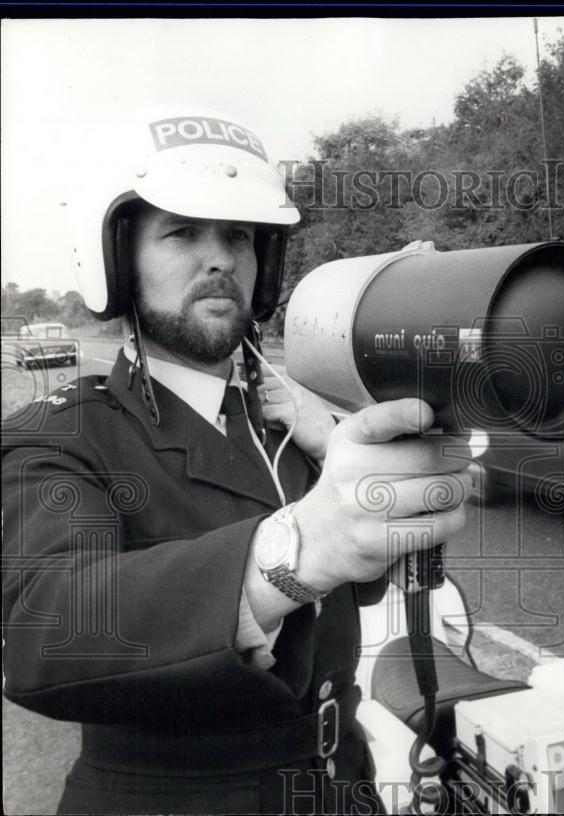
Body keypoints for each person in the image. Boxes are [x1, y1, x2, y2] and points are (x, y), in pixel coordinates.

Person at [1, 104, 472, 815]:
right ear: (117, 259)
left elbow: (348, 602)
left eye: (239, 236)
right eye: (182, 232)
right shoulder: (58, 433)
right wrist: (305, 544)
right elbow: (47, 629)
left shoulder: (292, 425)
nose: (220, 257)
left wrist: (383, 522)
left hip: (341, 785)